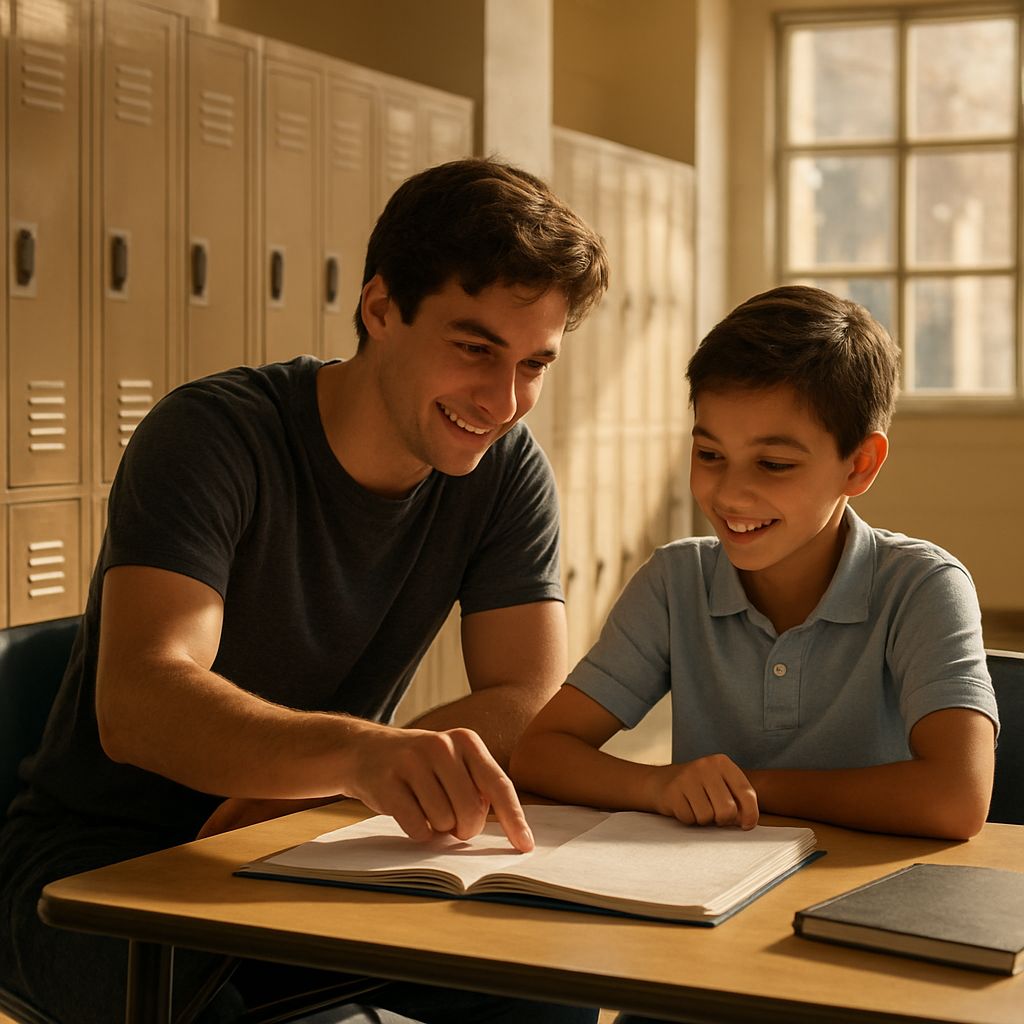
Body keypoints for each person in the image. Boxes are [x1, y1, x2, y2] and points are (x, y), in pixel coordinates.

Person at [0, 158, 609, 1024]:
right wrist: (357, 757)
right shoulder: (214, 436)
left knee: (547, 993)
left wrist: (324, 786)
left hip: (310, 843)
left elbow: (528, 696)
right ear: (380, 310)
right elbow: (138, 701)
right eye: (474, 347)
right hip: (101, 861)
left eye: (534, 364)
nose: (504, 399)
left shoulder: (503, 470)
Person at [511, 284, 999, 849]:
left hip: (862, 898)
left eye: (773, 463)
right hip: (708, 896)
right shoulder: (677, 583)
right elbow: (540, 753)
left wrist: (755, 789)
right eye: (709, 455)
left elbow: (957, 798)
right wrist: (658, 786)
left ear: (859, 466)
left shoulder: (922, 588)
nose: (731, 494)